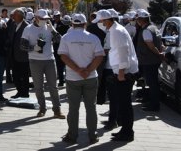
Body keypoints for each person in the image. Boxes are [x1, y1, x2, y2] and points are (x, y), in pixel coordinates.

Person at [59, 13, 105, 145]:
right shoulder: (93, 38)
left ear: (72, 24)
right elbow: (99, 56)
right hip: (90, 77)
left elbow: (63, 56)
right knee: (91, 107)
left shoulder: (66, 38)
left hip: (73, 78)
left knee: (73, 108)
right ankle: (93, 135)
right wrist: (88, 70)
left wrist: (78, 70)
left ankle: (72, 136)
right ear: (85, 24)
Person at [94, 9, 139, 142]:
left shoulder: (117, 32)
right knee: (123, 103)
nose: (100, 24)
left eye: (101, 21)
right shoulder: (115, 30)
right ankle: (125, 129)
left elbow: (123, 51)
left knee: (125, 104)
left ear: (107, 20)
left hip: (124, 73)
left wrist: (120, 72)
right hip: (122, 71)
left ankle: (127, 132)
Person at [21, 9, 65, 118]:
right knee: (38, 87)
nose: (44, 21)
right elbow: (22, 46)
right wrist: (33, 48)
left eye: (46, 19)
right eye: (42, 19)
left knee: (53, 87)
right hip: (35, 61)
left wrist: (53, 30)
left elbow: (60, 40)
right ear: (36, 18)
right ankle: (42, 108)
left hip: (50, 59)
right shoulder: (28, 29)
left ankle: (57, 110)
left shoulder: (49, 27)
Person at [133, 9, 165, 112]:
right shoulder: (154, 28)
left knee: (152, 84)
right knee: (153, 83)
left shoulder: (146, 30)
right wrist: (160, 53)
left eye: (138, 19)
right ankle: (153, 102)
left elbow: (150, 45)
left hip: (149, 61)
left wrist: (158, 53)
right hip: (152, 60)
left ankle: (154, 105)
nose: (137, 21)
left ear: (141, 20)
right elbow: (160, 43)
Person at [8, 8, 30, 98]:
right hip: (13, 55)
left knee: (24, 76)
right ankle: (19, 91)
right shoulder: (13, 24)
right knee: (15, 75)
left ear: (20, 16)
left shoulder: (27, 26)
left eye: (15, 15)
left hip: (23, 56)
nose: (13, 17)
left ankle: (25, 93)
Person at [52, 11, 70, 87]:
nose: (57, 18)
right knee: (59, 64)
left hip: (63, 46)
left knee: (65, 64)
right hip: (56, 47)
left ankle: (67, 79)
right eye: (55, 16)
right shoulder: (51, 23)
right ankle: (61, 81)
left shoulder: (64, 25)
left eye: (58, 16)